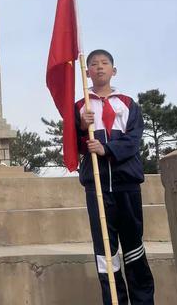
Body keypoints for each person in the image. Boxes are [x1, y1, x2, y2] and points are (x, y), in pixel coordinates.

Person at [75, 49, 154, 304]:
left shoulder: (128, 104)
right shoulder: (81, 107)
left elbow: (133, 142)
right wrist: (79, 125)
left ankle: (142, 300)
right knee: (106, 254)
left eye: (104, 63)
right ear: (87, 72)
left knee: (133, 248)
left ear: (113, 70)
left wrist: (106, 148)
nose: (99, 67)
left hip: (127, 186)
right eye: (94, 64)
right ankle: (114, 300)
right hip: (97, 189)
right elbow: (73, 145)